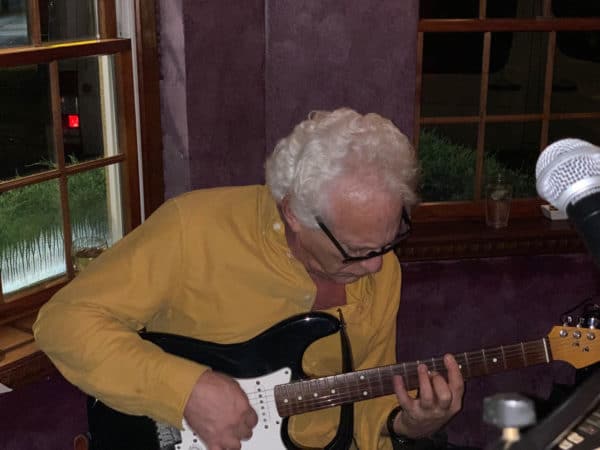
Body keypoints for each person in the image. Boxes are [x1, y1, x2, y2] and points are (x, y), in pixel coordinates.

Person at [34, 107, 464, 450]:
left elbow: (363, 395)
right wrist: (186, 391)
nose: (377, 266)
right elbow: (63, 323)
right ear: (294, 214)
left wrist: (406, 425)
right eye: (357, 250)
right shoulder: (193, 229)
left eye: (391, 241)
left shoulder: (383, 269)